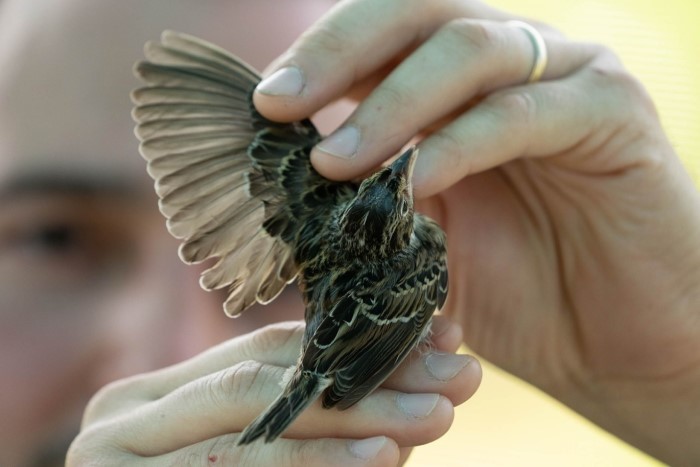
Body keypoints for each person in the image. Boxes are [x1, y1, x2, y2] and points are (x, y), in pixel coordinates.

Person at [0, 0, 696, 466]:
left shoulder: (407, 247)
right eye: (54, 236)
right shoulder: (412, 255)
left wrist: (680, 381)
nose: (170, 352)